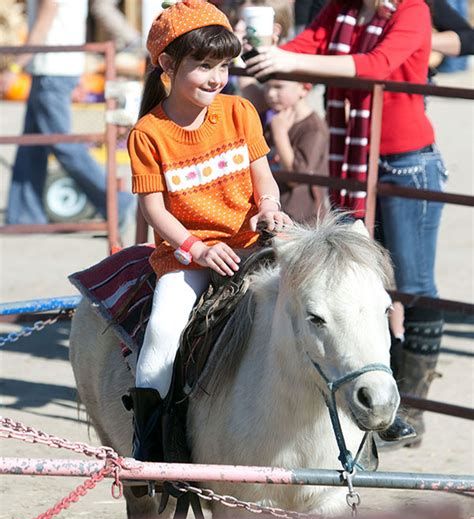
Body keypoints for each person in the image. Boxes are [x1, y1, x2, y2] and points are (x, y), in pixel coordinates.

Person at [245, 0, 448, 446]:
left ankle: (406, 402)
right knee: (353, 284)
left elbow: (379, 63)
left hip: (406, 162)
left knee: (411, 284)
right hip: (355, 160)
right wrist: (262, 50)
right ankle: (368, 389)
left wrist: (291, 60)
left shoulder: (410, 9)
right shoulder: (340, 9)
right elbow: (303, 45)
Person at [124, 0, 291, 463]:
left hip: (252, 241)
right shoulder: (147, 133)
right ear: (167, 64)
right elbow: (155, 210)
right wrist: (196, 249)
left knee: (321, 296)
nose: (216, 77)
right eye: (202, 66)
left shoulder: (240, 111)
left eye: (222, 65)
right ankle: (150, 444)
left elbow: (264, 180)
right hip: (187, 253)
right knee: (162, 331)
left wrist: (270, 209)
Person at [0, 0, 135, 229]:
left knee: (61, 142)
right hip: (54, 66)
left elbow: (45, 18)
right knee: (32, 145)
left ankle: (116, 201)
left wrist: (15, 67)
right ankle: (24, 215)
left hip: (52, 66)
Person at [263, 78, 329, 221]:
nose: (270, 93)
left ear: (304, 89)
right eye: (267, 86)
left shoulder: (313, 129)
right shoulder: (276, 118)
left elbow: (295, 177)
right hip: (278, 210)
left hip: (302, 218)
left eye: (278, 86)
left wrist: (280, 135)